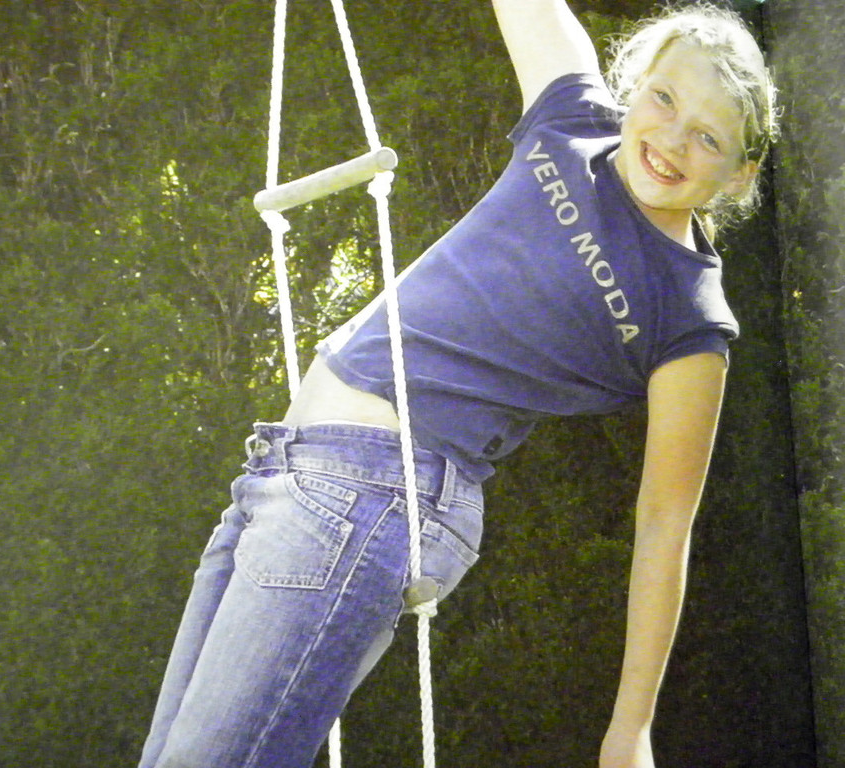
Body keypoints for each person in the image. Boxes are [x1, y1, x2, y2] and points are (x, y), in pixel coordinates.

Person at [137, 1, 779, 767]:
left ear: (740, 174)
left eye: (708, 137)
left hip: (375, 498)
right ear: (636, 85)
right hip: (281, 469)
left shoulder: (690, 319)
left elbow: (665, 523)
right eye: (665, 98)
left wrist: (630, 727)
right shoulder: (572, 120)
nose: (672, 140)